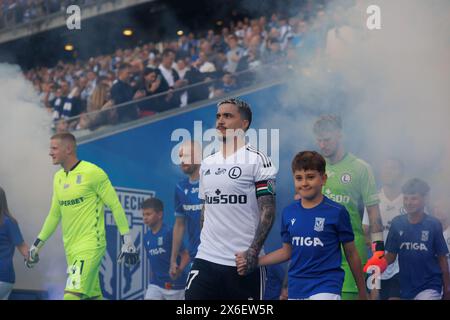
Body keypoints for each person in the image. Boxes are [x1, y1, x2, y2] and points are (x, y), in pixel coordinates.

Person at [237, 151, 367, 300]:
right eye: (299, 178)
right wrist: (254, 261)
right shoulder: (288, 212)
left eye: (310, 177)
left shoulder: (337, 212)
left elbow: (351, 253)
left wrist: (362, 292)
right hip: (296, 288)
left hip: (326, 286)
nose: (304, 183)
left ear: (323, 179)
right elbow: (287, 252)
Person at [26, 133, 139, 300]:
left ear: (69, 149)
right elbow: (54, 214)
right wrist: (37, 245)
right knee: (93, 296)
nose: (50, 152)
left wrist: (127, 240)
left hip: (90, 245)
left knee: (71, 296)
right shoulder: (58, 178)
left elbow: (115, 205)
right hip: (71, 248)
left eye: (54, 148)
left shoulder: (93, 172)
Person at [185, 98, 278, 300]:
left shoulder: (257, 159)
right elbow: (205, 209)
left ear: (244, 124)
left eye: (227, 116)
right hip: (206, 259)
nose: (220, 121)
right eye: (218, 116)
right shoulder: (208, 162)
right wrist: (204, 244)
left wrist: (252, 252)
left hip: (241, 263)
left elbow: (268, 211)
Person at [312, 115, 386, 300]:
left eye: (327, 140)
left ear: (339, 135)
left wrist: (378, 253)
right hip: (319, 255)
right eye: (319, 140)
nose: (322, 145)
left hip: (351, 255)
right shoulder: (314, 167)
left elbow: (374, 216)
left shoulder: (361, 168)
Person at [384, 178, 450, 300]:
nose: (408, 202)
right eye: (406, 198)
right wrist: (376, 265)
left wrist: (447, 289)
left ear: (425, 199)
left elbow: (442, 259)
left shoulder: (433, 224)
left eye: (414, 198)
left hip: (429, 285)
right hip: (404, 284)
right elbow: (391, 257)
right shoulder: (397, 223)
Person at [362, 158, 406, 300]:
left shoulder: (409, 199)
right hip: (376, 265)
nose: (389, 172)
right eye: (385, 168)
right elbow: (365, 231)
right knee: (374, 297)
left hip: (401, 266)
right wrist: (375, 250)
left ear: (401, 173)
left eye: (393, 168)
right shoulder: (373, 199)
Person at [142, 197, 190, 300]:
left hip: (176, 286)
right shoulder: (146, 237)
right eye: (143, 215)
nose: (145, 218)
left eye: (148, 214)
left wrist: (179, 270)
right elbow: (153, 263)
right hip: (156, 285)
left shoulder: (169, 232)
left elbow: (186, 256)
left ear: (160, 214)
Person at [170, 141, 202, 278]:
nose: (183, 160)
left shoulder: (212, 182)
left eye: (187, 155)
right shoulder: (180, 187)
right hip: (196, 255)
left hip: (219, 254)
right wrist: (173, 260)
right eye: (181, 156)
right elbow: (179, 225)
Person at [0, 187, 30, 300]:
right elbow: (23, 248)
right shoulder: (9, 222)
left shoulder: (8, 222)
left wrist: (31, 257)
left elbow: (23, 248)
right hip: (5, 278)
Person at [433, 198, 450, 272]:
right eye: (436, 207)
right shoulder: (429, 234)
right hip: (436, 280)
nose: (438, 210)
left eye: (442, 207)